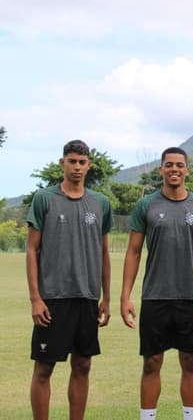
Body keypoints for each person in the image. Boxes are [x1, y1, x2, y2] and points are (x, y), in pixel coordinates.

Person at [120, 147, 193, 420]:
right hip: (154, 297)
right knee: (152, 362)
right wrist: (125, 296)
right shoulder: (146, 205)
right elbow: (134, 252)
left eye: (179, 165)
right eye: (169, 165)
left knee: (190, 361)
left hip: (189, 298)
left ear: (187, 170)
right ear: (161, 169)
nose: (174, 169)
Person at [26, 139, 113, 420]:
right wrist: (36, 298)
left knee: (83, 365)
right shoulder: (45, 198)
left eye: (82, 162)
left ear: (89, 165)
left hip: (87, 297)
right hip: (53, 298)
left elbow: (104, 252)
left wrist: (107, 298)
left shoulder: (100, 202)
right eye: (72, 161)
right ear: (62, 163)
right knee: (44, 367)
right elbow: (32, 249)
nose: (77, 167)